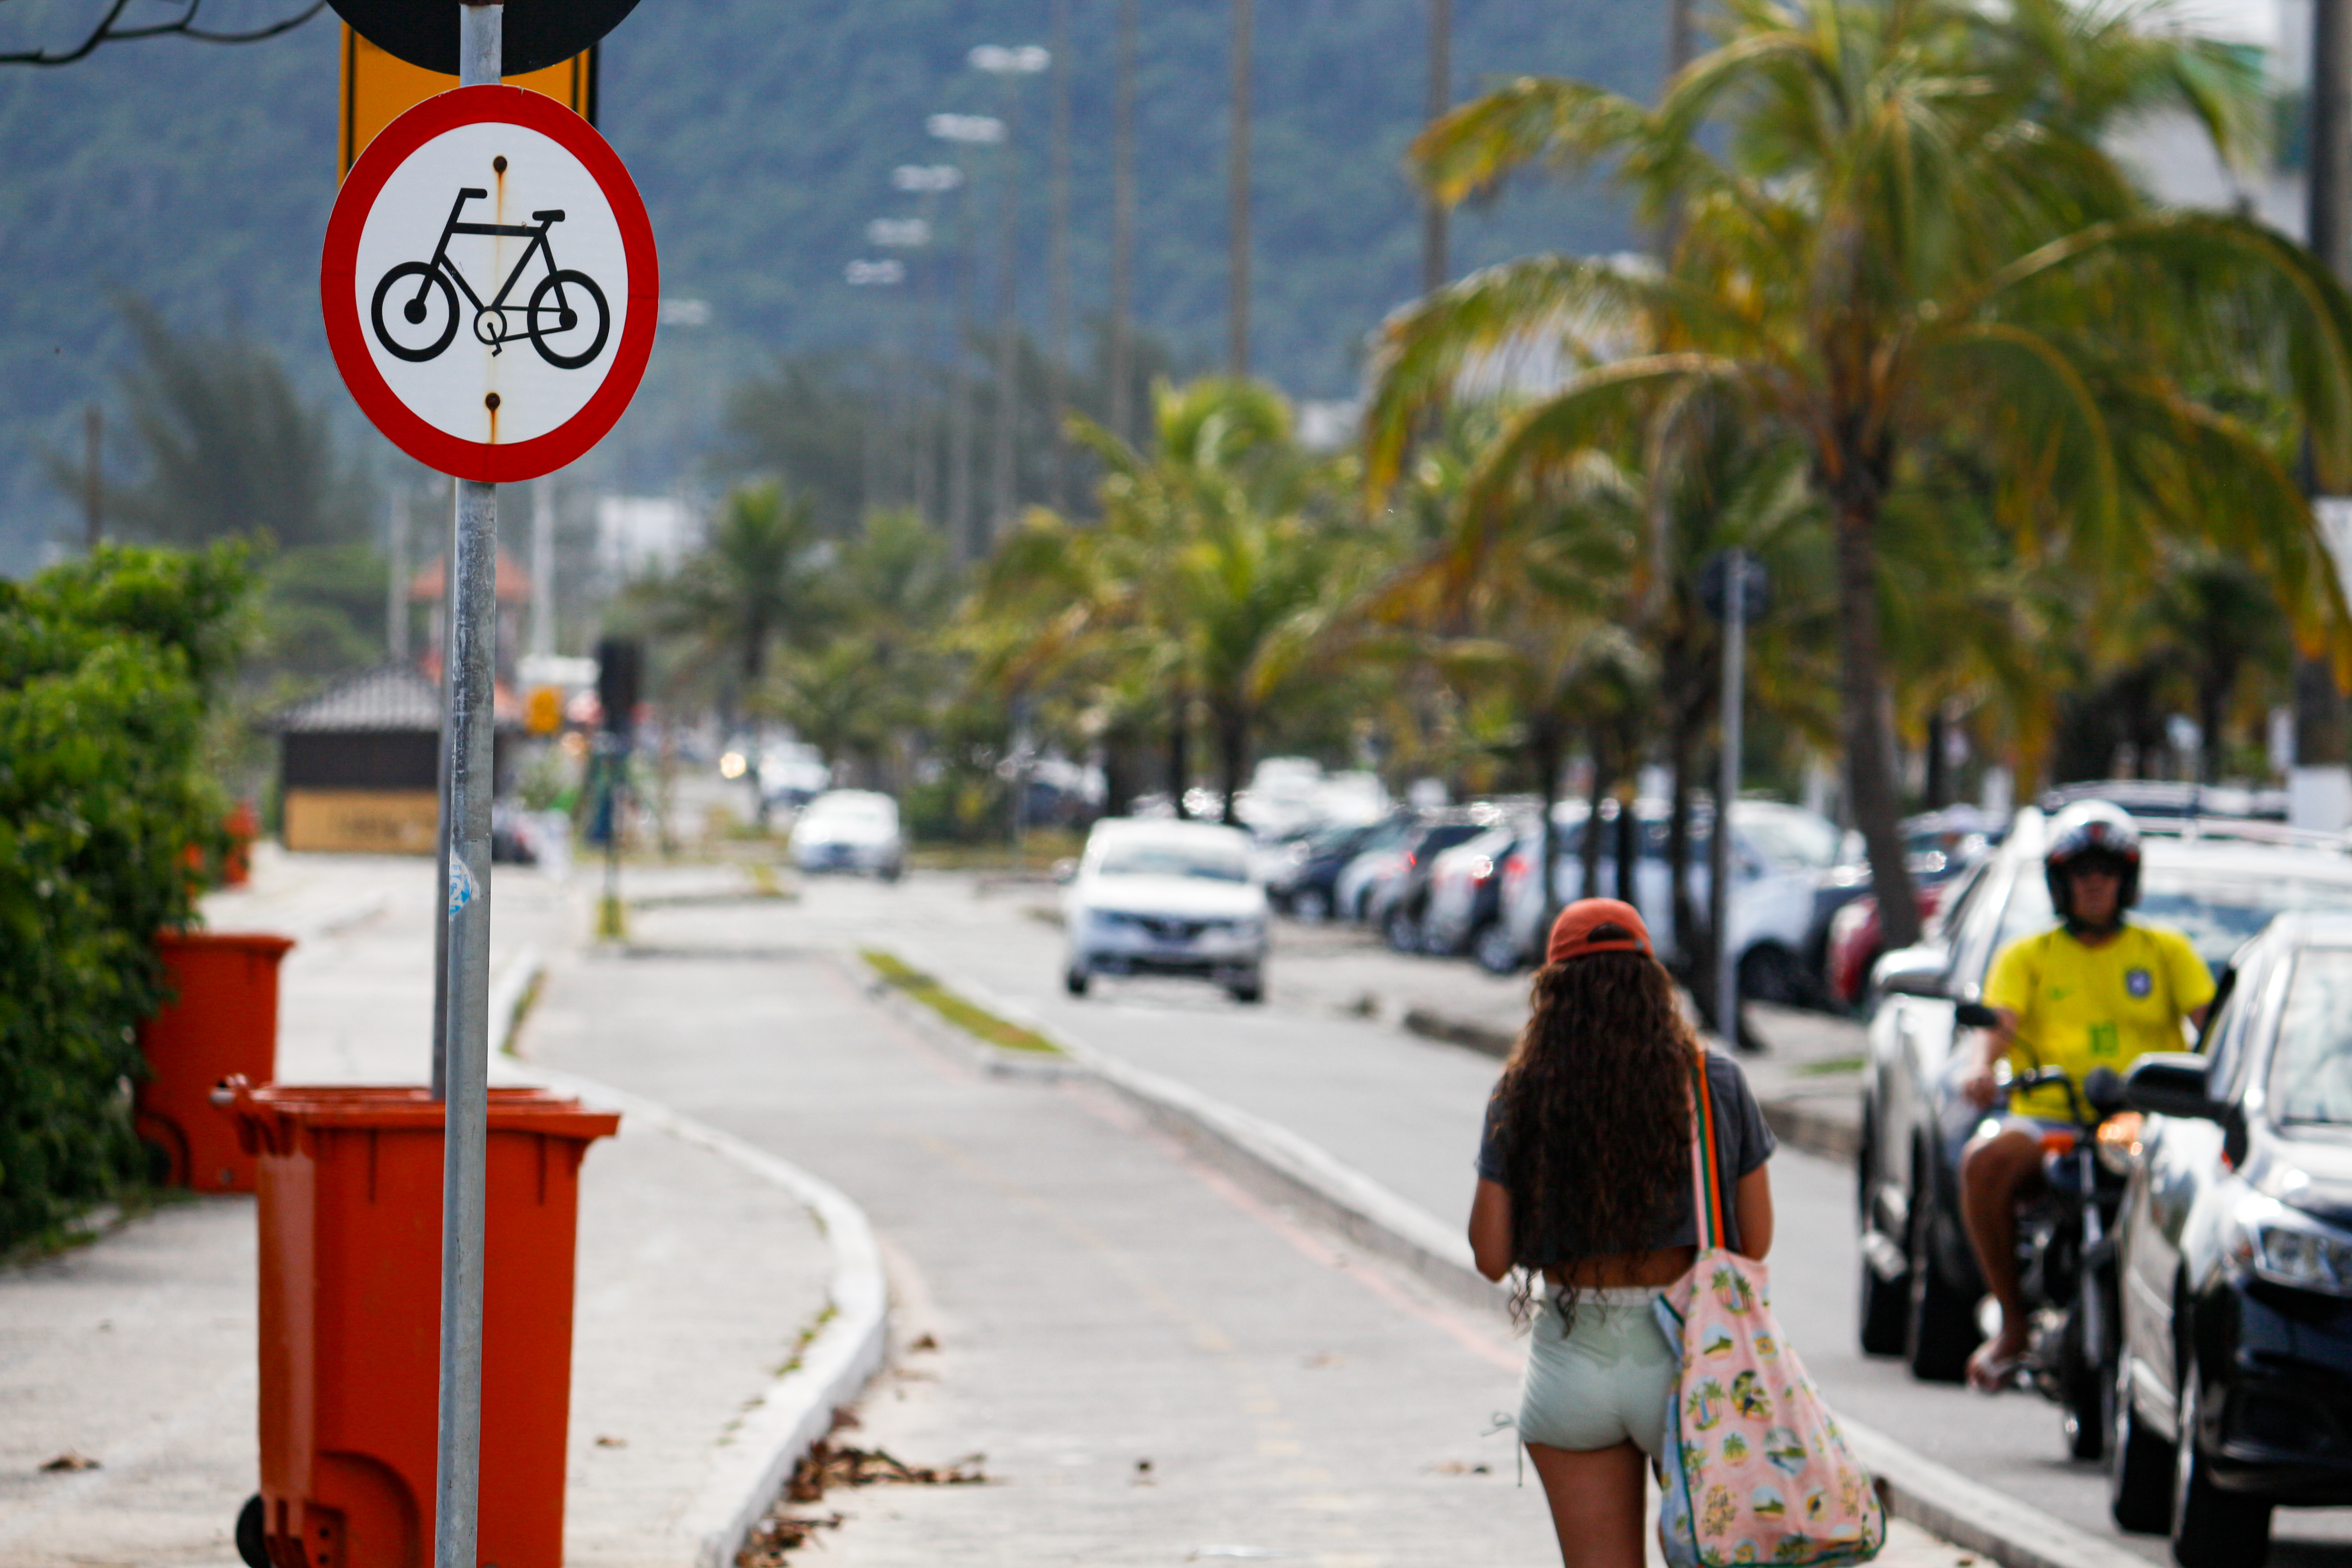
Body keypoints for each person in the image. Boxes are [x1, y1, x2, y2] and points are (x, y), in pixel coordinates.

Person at [1467, 898, 1776, 1568]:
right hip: (1692, 1367)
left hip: (1571, 1370)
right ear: (1652, 983)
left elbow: (1491, 1257)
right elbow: (1755, 1239)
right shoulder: (1713, 1082)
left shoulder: (1521, 1094)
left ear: (1551, 993)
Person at [1959, 801, 2212, 1392]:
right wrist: (1980, 1070)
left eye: (2107, 870)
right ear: (2060, 882)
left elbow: (2212, 1027)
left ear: (2128, 881)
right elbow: (1995, 1025)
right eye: (2081, 871)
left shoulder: (2165, 952)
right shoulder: (2029, 956)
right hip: (2052, 1122)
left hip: (2137, 1129)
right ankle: (2013, 1326)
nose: (2094, 882)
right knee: (1983, 1161)